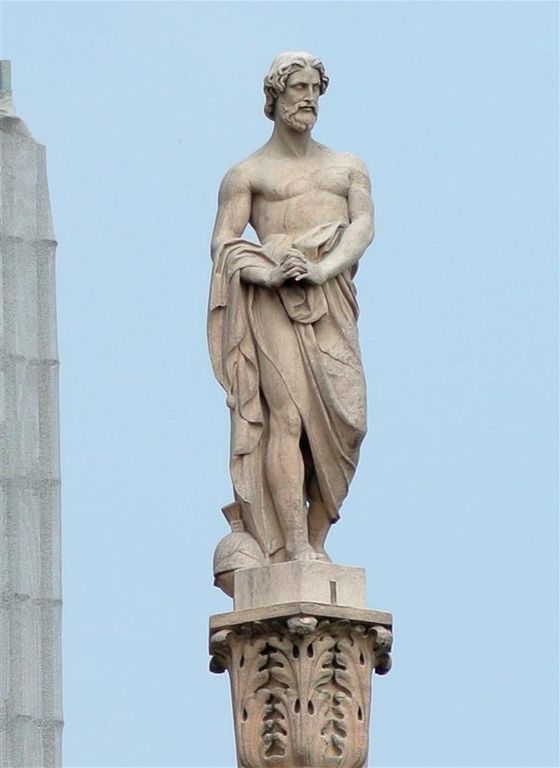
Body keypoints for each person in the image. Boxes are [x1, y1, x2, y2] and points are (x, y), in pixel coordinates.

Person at [208, 51, 374, 569]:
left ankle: (318, 537)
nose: (308, 98)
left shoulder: (347, 167)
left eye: (315, 89)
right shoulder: (248, 174)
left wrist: (322, 270)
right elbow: (223, 243)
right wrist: (269, 272)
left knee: (351, 424)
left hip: (331, 302)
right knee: (287, 418)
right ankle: (297, 547)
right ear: (274, 95)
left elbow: (363, 227)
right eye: (298, 88)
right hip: (274, 306)